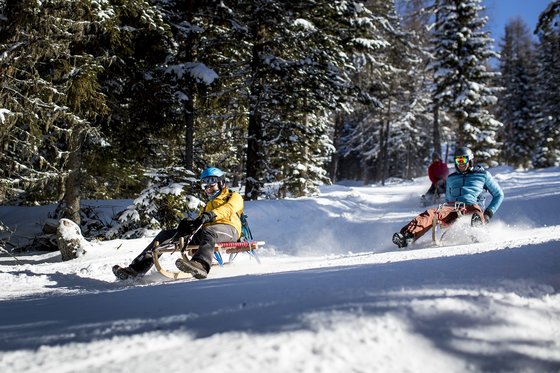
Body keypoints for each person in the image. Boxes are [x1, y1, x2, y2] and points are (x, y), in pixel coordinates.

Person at [112, 167, 243, 280]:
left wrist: (209, 215)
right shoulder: (207, 205)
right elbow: (201, 222)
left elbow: (229, 208)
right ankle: (136, 269)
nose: (208, 189)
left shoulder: (233, 196)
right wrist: (189, 226)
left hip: (230, 230)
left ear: (221, 182)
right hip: (207, 232)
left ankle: (201, 265)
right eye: (205, 186)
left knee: (210, 231)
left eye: (211, 184)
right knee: (166, 235)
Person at [392, 146, 504, 248]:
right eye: (457, 160)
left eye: (463, 160)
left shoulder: (482, 175)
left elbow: (499, 195)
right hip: (452, 207)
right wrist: (446, 216)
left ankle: (478, 234)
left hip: (472, 206)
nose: (460, 163)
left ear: (470, 160)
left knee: (476, 216)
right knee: (430, 213)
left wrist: (488, 214)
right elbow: (448, 199)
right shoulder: (451, 178)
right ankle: (407, 236)